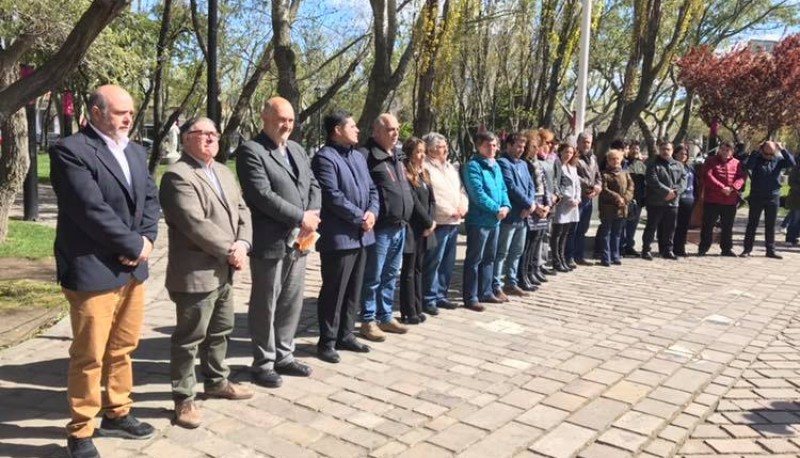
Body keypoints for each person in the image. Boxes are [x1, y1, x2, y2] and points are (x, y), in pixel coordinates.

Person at [49, 85, 160, 458]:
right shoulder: (70, 150)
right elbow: (90, 210)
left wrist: (146, 241)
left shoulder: (136, 150)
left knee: (124, 347)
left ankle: (118, 410)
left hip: (132, 270)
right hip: (93, 267)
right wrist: (132, 247)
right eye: (119, 113)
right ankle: (81, 430)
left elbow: (149, 199)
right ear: (96, 112)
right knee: (90, 354)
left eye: (130, 112)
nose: (128, 119)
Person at [160, 117, 254, 429]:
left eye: (214, 133)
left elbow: (243, 210)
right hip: (196, 272)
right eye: (203, 134)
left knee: (221, 330)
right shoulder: (177, 176)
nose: (211, 138)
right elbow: (194, 224)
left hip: (226, 269)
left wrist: (242, 243)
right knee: (190, 338)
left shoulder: (224, 172)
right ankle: (183, 399)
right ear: (186, 139)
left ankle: (216, 381)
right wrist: (231, 250)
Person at [236, 97, 321, 387]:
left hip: (301, 240)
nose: (286, 125)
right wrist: (301, 217)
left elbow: (314, 184)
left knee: (291, 301)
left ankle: (285, 355)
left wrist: (312, 214)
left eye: (290, 120)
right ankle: (263, 362)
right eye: (280, 119)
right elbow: (261, 195)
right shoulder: (252, 151)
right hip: (271, 240)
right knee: (266, 303)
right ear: (265, 118)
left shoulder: (297, 149)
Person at [311, 110, 378, 363]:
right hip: (339, 236)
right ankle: (327, 340)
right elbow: (332, 195)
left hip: (363, 235)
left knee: (354, 289)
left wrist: (372, 212)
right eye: (352, 126)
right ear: (337, 130)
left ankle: (346, 334)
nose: (358, 130)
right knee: (334, 290)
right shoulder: (324, 158)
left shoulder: (359, 157)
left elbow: (372, 189)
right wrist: (359, 217)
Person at [359, 114, 412, 342]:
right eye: (390, 129)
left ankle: (385, 315)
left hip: (399, 226)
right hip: (379, 228)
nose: (396, 133)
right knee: (373, 276)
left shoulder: (397, 155)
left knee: (391, 274)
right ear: (377, 131)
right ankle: (368, 320)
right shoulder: (367, 156)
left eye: (397, 129)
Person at [421, 133, 469, 315]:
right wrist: (449, 211)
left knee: (447, 262)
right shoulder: (426, 167)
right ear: (431, 149)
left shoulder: (450, 167)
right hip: (440, 222)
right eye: (441, 146)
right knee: (434, 261)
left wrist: (462, 207)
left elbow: (460, 190)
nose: (446, 148)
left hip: (455, 221)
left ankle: (441, 294)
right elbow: (433, 197)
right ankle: (429, 297)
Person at [463, 131, 511, 310]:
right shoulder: (473, 166)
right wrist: (495, 209)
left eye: (494, 145)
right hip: (479, 220)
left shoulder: (496, 165)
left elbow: (503, 189)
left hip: (495, 221)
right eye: (487, 145)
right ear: (478, 146)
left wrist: (506, 206)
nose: (492, 148)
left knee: (490, 258)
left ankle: (486, 291)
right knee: (475, 259)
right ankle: (471, 296)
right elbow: (477, 193)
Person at [399, 137, 437, 324]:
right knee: (408, 270)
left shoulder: (425, 174)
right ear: (410, 154)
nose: (422, 156)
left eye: (423, 152)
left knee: (419, 269)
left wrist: (431, 222)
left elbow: (431, 200)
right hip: (413, 228)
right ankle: (408, 310)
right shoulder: (406, 174)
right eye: (418, 152)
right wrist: (427, 222)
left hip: (425, 229)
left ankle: (418, 305)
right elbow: (413, 202)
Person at [741, 141, 796, 258]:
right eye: (767, 154)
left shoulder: (778, 160)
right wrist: (755, 152)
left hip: (773, 196)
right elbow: (748, 166)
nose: (769, 157)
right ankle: (747, 249)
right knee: (752, 224)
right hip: (757, 196)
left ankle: (770, 250)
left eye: (772, 154)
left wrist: (782, 149)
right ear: (762, 151)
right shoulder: (756, 159)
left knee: (770, 225)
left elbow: (792, 163)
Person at [495, 133, 534, 297]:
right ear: (508, 146)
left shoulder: (524, 164)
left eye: (523, 147)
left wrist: (531, 204)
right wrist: (528, 204)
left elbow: (531, 185)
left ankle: (511, 282)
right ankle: (496, 284)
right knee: (502, 252)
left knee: (517, 251)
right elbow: (511, 187)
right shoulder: (503, 163)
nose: (521, 150)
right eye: (518, 146)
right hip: (510, 215)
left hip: (523, 216)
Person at [698, 141, 746, 256]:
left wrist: (733, 187)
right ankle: (703, 248)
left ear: (732, 151)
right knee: (708, 225)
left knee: (727, 226)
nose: (725, 152)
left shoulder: (737, 163)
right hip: (712, 199)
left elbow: (742, 177)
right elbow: (708, 176)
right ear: (719, 150)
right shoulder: (711, 161)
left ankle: (726, 249)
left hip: (730, 201)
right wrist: (721, 187)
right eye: (723, 149)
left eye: (728, 150)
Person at [641, 141, 686, 261]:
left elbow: (683, 181)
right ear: (659, 150)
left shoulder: (679, 165)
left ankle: (668, 250)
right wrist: (667, 192)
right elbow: (652, 181)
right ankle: (646, 250)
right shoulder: (653, 164)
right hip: (656, 202)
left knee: (670, 228)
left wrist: (675, 193)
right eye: (663, 149)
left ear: (672, 151)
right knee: (652, 227)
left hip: (673, 203)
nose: (665, 151)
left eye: (668, 149)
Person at [519, 134, 552, 289]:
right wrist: (534, 205)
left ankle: (532, 270)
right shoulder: (524, 164)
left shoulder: (537, 163)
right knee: (528, 241)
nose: (536, 149)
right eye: (533, 146)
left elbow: (544, 184)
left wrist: (547, 203)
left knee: (537, 239)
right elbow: (527, 187)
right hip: (531, 204)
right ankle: (523, 274)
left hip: (541, 202)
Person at [598, 149, 634, 266]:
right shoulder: (604, 174)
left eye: (617, 159)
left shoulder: (625, 173)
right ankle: (605, 257)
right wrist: (617, 197)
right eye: (612, 159)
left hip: (622, 208)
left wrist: (625, 199)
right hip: (608, 208)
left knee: (617, 233)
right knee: (606, 233)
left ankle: (615, 255)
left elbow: (631, 187)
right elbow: (604, 189)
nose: (615, 161)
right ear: (608, 161)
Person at [570, 132, 601, 266]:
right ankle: (569, 256)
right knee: (573, 229)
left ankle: (579, 256)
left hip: (589, 198)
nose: (586, 144)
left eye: (588, 142)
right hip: (577, 198)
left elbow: (598, 174)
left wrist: (598, 186)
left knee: (583, 228)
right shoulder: (574, 157)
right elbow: (575, 177)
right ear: (578, 142)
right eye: (583, 141)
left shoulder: (593, 158)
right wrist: (591, 185)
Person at [535, 129, 561, 277]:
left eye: (552, 143)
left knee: (546, 235)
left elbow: (554, 180)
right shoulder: (537, 161)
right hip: (541, 204)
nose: (550, 146)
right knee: (538, 237)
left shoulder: (550, 159)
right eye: (548, 142)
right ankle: (535, 265)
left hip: (551, 203)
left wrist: (557, 194)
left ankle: (542, 262)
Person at [551, 143, 581, 272]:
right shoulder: (557, 166)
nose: (568, 155)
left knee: (565, 233)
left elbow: (577, 185)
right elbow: (559, 185)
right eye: (566, 152)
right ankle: (556, 260)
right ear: (560, 152)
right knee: (557, 233)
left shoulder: (572, 167)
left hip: (573, 205)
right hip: (562, 204)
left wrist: (578, 198)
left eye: (570, 152)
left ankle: (562, 258)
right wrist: (569, 199)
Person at [621, 140, 647, 256]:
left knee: (633, 225)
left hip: (638, 200)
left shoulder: (641, 165)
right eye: (633, 148)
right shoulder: (623, 163)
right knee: (622, 225)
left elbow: (645, 182)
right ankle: (620, 247)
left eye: (637, 149)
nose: (635, 151)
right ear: (629, 149)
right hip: (625, 199)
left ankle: (629, 246)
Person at [672, 145, 698, 256]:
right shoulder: (672, 166)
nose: (683, 156)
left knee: (684, 226)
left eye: (685, 154)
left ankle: (680, 248)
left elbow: (695, 184)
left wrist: (695, 197)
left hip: (689, 199)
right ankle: (671, 247)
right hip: (676, 200)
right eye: (681, 153)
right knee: (673, 225)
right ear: (675, 154)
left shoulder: (689, 168)